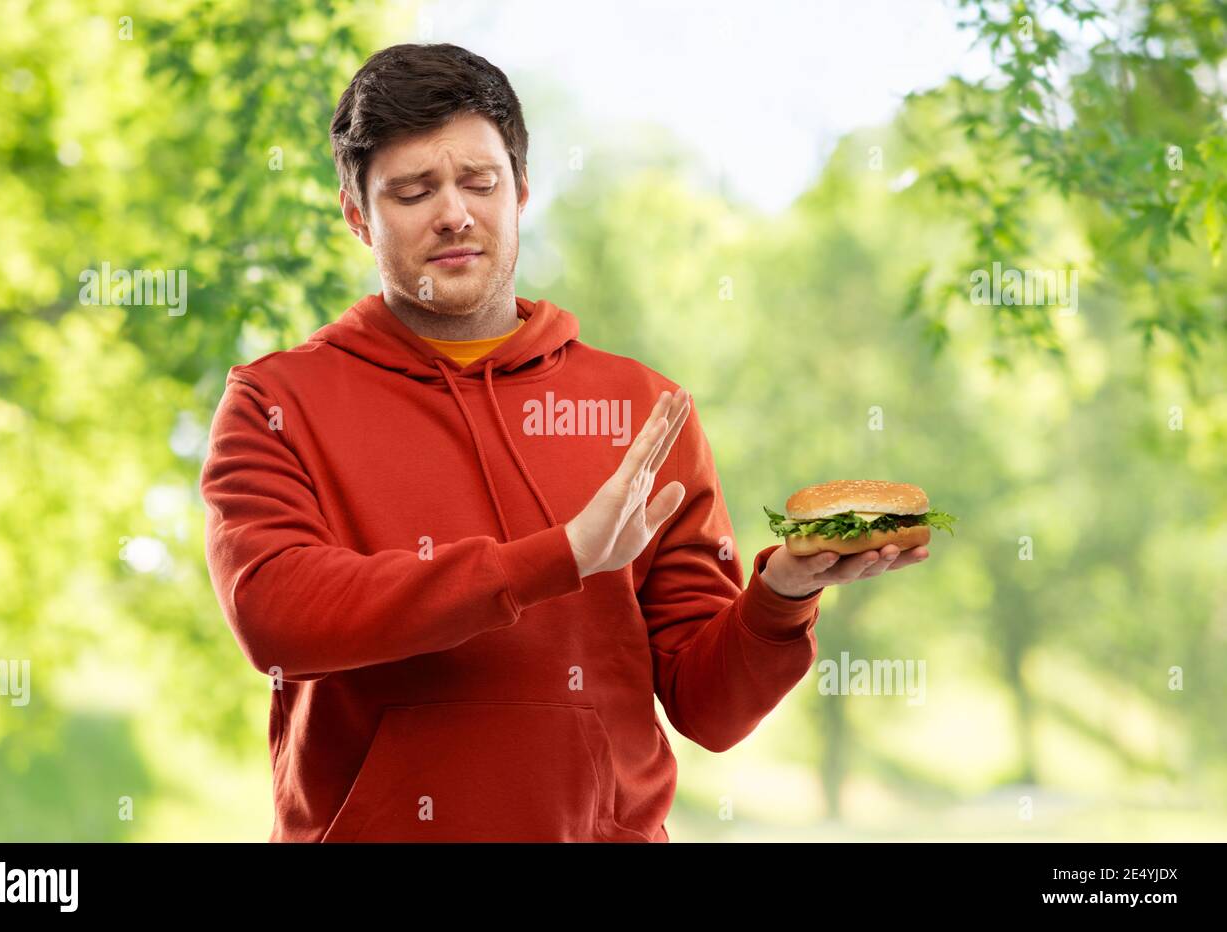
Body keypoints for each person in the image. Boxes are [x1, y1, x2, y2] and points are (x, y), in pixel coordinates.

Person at [199, 42, 927, 843]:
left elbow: (709, 710)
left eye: (480, 183)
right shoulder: (275, 401)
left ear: (521, 193)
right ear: (357, 216)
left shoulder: (644, 410)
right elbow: (278, 618)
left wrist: (784, 596)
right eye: (413, 191)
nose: (454, 212)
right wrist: (561, 557)